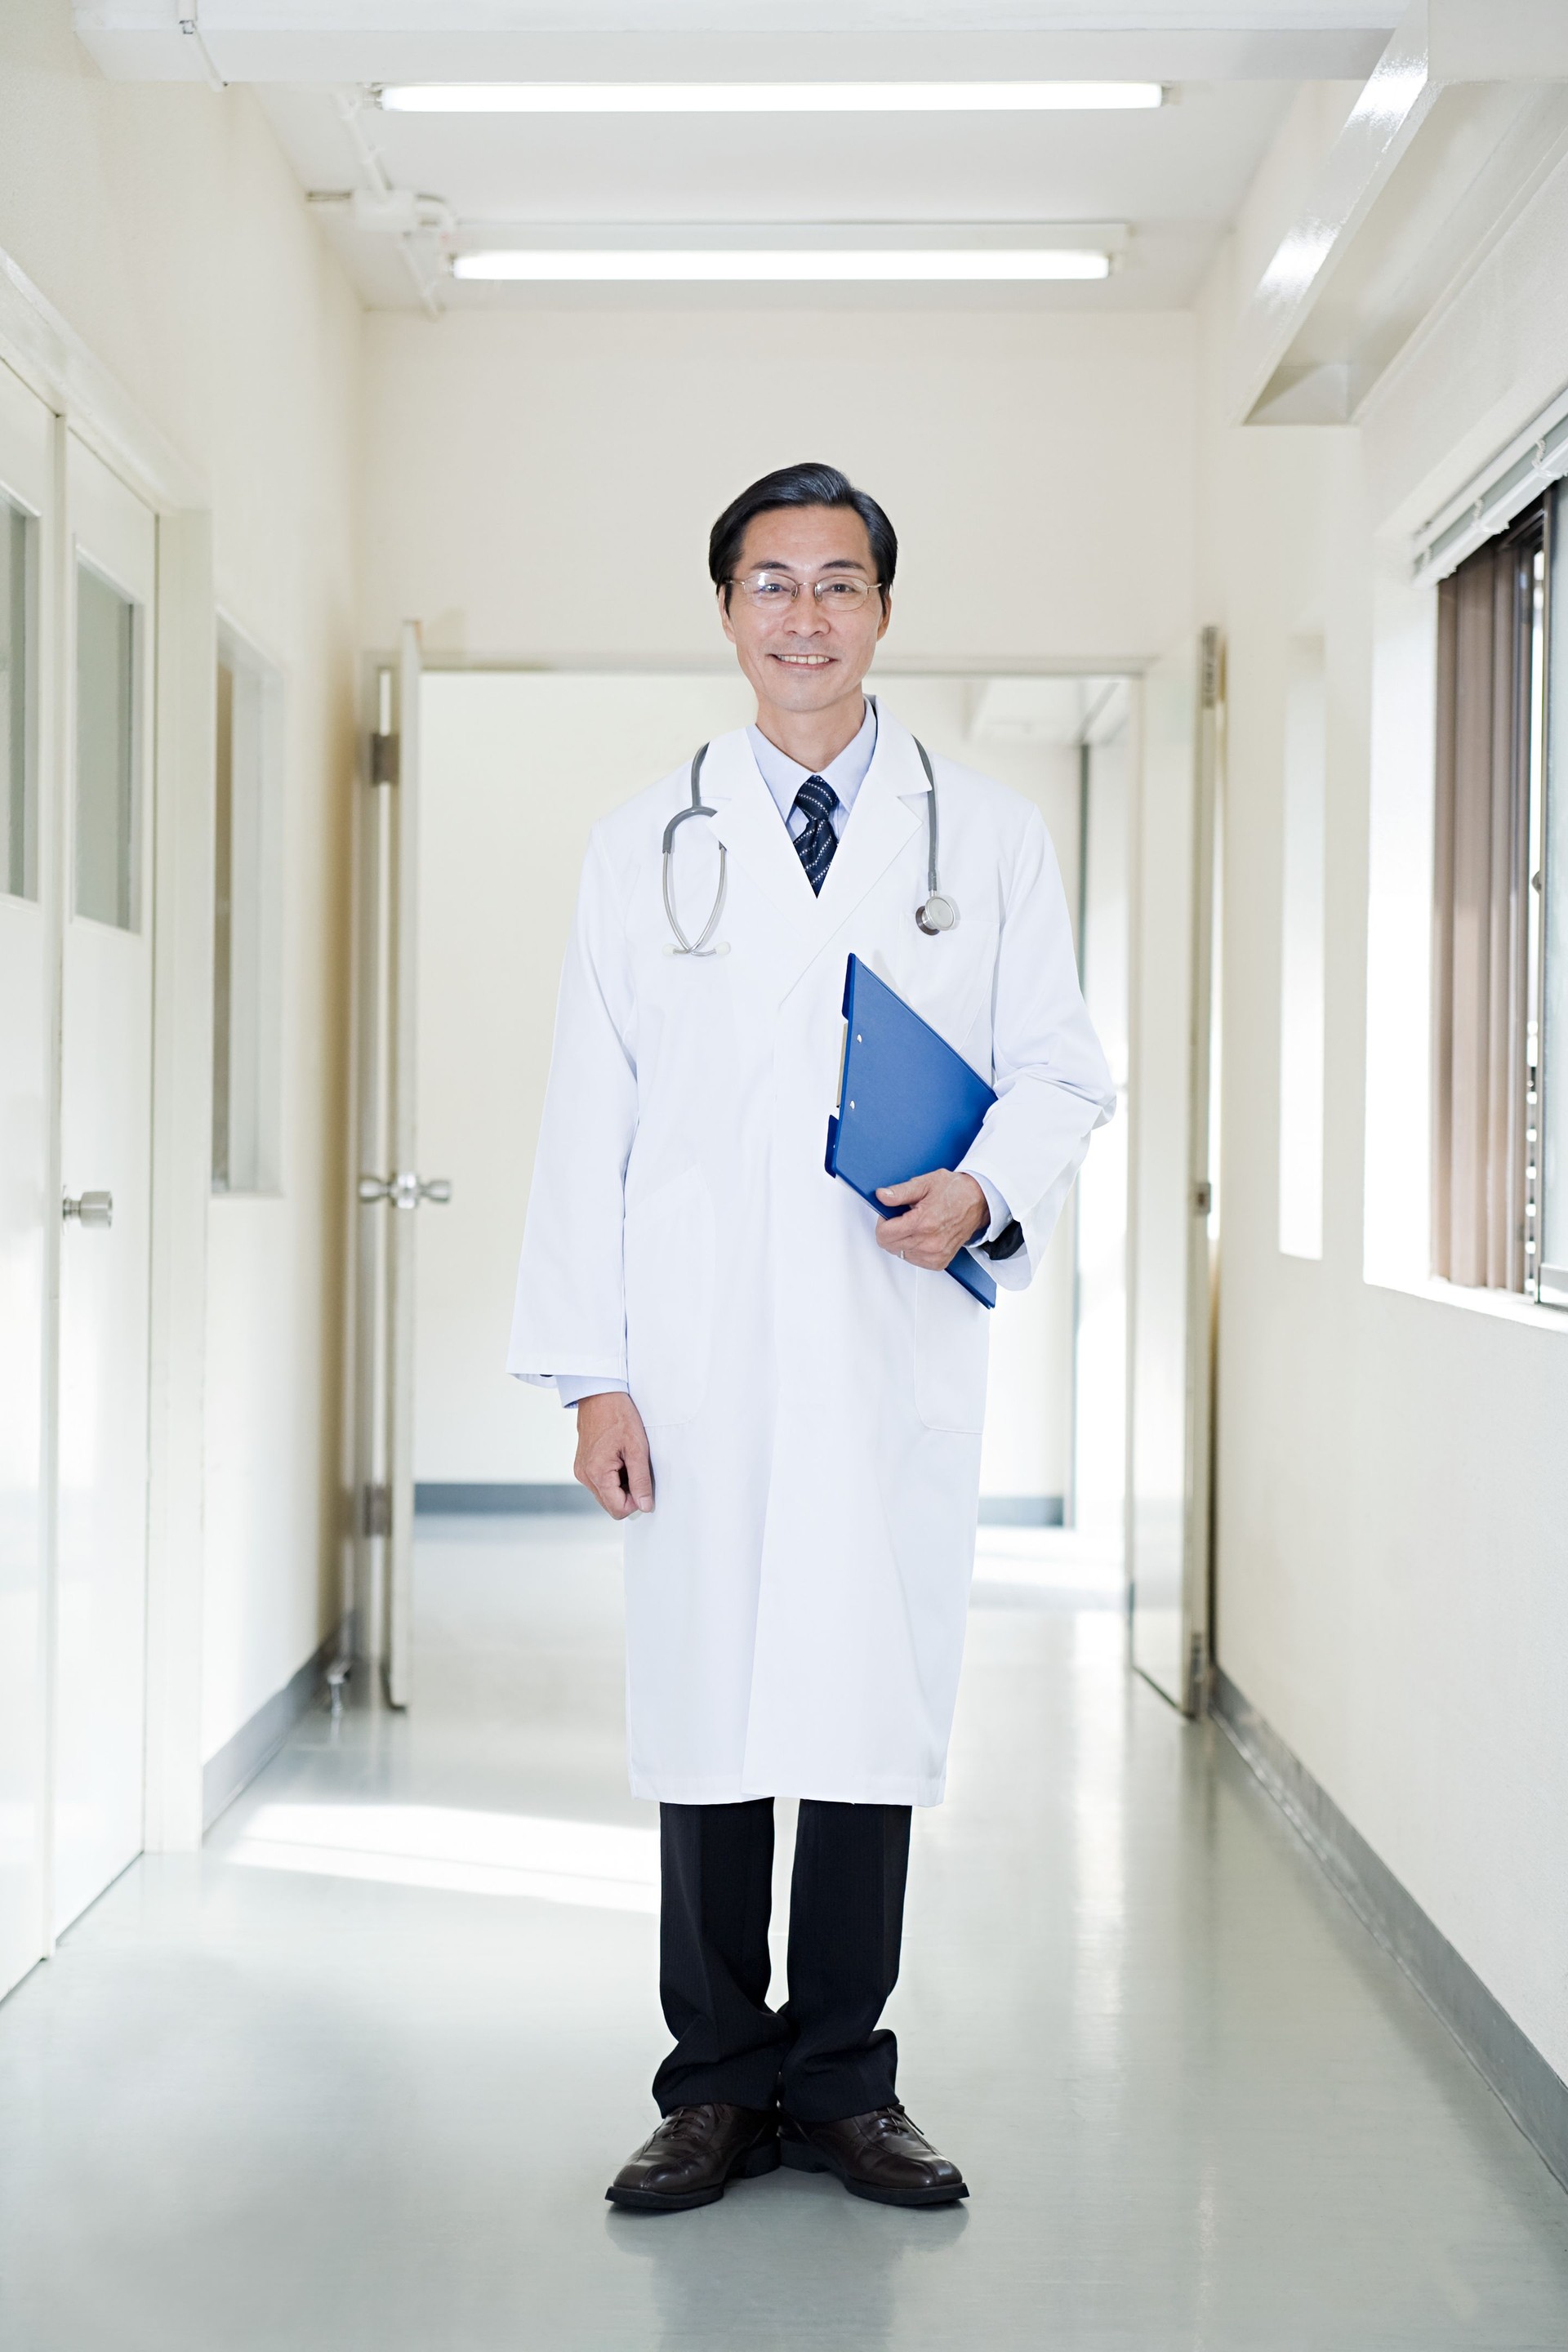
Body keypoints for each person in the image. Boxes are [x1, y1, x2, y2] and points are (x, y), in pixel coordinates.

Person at [509, 461, 1114, 2214]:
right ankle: (711, 2088)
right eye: (769, 584)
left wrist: (988, 1191)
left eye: (838, 584)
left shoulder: (987, 836)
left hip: (882, 1332)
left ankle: (847, 2085)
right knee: (705, 1706)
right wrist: (593, 1371)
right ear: (725, 615)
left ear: (884, 614)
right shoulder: (648, 844)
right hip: (691, 1356)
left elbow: (1064, 1066)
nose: (805, 616)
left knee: (861, 1699)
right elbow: (583, 1117)